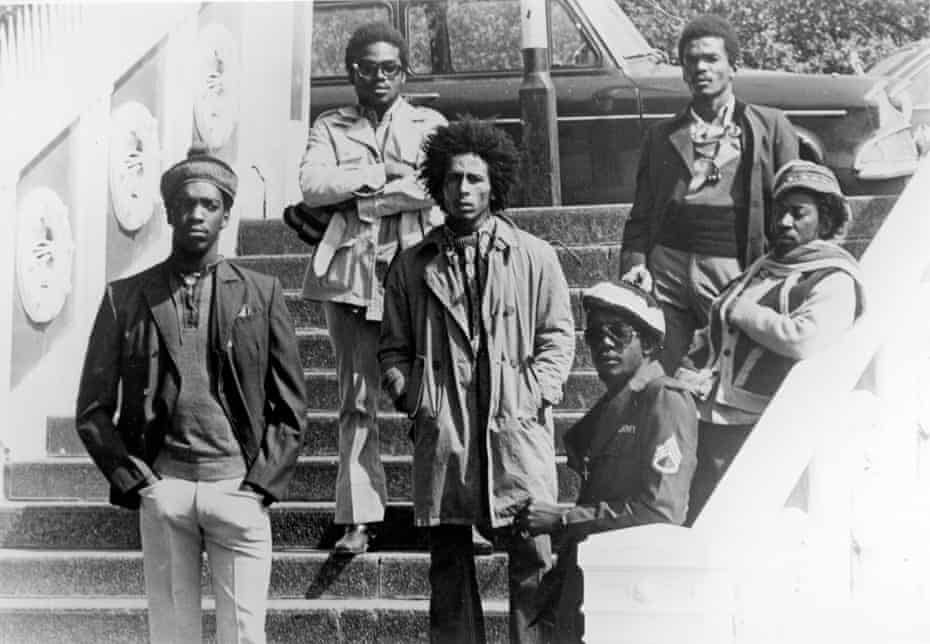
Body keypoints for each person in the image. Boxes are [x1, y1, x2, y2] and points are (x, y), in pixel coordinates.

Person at [75, 144, 308, 644]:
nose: (197, 214)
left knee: (244, 636)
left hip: (237, 490)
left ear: (226, 214)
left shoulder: (261, 292)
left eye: (209, 204)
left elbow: (291, 408)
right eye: (186, 204)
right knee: (171, 635)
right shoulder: (125, 297)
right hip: (165, 491)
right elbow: (92, 410)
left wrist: (259, 489)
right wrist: (141, 484)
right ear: (169, 213)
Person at [379, 119, 575, 644]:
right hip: (445, 425)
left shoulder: (535, 256)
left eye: (475, 179)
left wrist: (535, 392)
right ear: (438, 185)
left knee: (532, 553)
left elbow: (558, 334)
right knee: (448, 564)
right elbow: (393, 348)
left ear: (494, 185)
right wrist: (414, 397)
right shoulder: (412, 265)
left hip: (514, 422)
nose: (463, 189)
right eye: (453, 179)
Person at [297, 22, 448, 554]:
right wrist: (383, 174)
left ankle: (446, 512)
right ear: (351, 72)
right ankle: (358, 517)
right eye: (367, 68)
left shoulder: (430, 124)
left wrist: (360, 198)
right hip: (350, 279)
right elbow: (313, 185)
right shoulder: (329, 125)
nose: (379, 77)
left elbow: (433, 185)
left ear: (404, 73)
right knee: (356, 400)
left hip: (418, 274)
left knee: (435, 395)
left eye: (390, 68)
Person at [681, 159, 866, 522]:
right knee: (700, 514)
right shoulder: (765, 267)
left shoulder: (833, 277)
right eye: (779, 211)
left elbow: (805, 338)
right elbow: (717, 324)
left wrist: (745, 312)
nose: (783, 222)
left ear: (825, 220)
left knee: (734, 519)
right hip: (712, 412)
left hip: (761, 423)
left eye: (798, 213)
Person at [514, 281, 698, 644]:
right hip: (600, 579)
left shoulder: (664, 399)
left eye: (619, 332)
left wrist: (565, 520)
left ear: (648, 343)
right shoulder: (615, 407)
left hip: (635, 590)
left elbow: (661, 510)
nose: (605, 344)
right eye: (595, 335)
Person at [619, 14, 799, 373]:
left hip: (733, 266)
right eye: (692, 60)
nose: (701, 68)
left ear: (734, 66)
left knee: (733, 368)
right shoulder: (660, 136)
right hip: (667, 269)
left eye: (712, 58)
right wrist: (635, 265)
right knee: (663, 370)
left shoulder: (770, 127)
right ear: (684, 70)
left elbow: (794, 206)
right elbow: (641, 214)